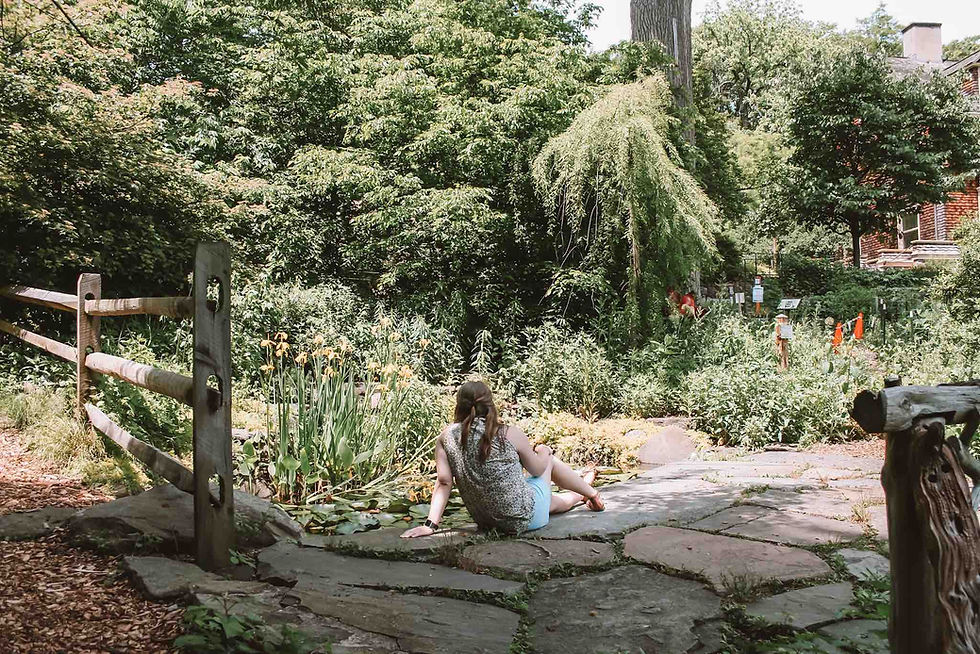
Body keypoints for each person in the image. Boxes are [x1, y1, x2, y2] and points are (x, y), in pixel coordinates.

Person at [401, 380, 604, 538]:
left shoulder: (446, 437)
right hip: (525, 518)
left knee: (549, 502)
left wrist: (430, 525)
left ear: (459, 406)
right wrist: (543, 451)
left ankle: (582, 490)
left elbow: (444, 482)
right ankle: (592, 494)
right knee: (548, 463)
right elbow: (537, 470)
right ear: (490, 404)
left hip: (488, 521)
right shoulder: (508, 433)